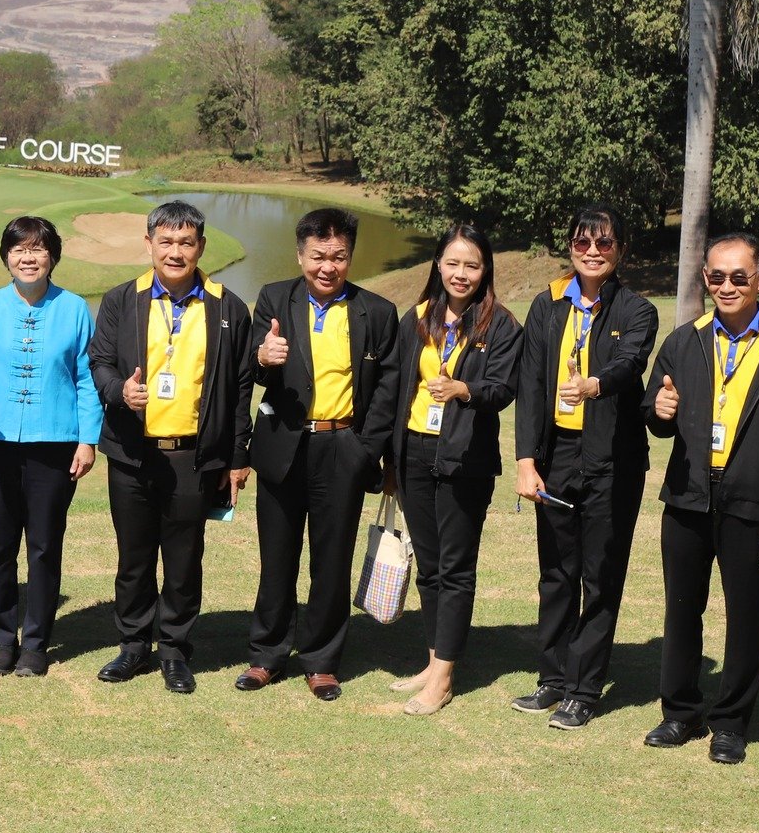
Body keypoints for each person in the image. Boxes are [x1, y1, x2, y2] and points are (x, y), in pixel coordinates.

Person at [642, 231, 759, 765]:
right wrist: (658, 412)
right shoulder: (685, 340)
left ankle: (731, 723)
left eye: (740, 276)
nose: (727, 286)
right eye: (716, 276)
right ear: (705, 278)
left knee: (746, 616)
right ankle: (680, 712)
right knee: (681, 611)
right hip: (688, 499)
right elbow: (654, 410)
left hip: (750, 504)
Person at [87, 201, 254, 695]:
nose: (175, 252)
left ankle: (175, 651)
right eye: (166, 241)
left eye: (186, 242)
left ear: (201, 247)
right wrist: (120, 391)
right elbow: (99, 362)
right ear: (149, 244)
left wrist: (238, 457)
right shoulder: (122, 300)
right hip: (133, 452)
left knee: (183, 559)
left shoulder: (228, 307)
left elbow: (241, 386)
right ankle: (134, 645)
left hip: (194, 456)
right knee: (133, 558)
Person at [238, 207, 400, 702]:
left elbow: (388, 387)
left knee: (332, 561)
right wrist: (262, 357)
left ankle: (322, 661)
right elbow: (252, 367)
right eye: (318, 256)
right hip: (283, 444)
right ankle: (266, 655)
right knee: (277, 558)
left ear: (350, 256)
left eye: (338, 256)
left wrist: (364, 449)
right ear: (300, 255)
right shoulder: (274, 297)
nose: (327, 266)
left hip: (342, 447)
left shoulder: (377, 311)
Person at [511, 205, 660, 729]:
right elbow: (530, 386)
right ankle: (553, 678)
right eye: (582, 242)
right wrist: (526, 460)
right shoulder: (547, 305)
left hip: (611, 460)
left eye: (604, 243)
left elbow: (630, 363)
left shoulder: (637, 310)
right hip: (556, 456)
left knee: (600, 575)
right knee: (556, 572)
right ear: (570, 246)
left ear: (620, 250)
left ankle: (583, 688)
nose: (592, 252)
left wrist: (593, 384)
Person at [0, 216, 102, 677]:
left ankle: (35, 643)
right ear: (6, 256)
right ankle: (1, 639)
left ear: (52, 256)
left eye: (38, 249)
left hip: (55, 445)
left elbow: (87, 378)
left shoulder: (74, 309)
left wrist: (88, 439)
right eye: (19, 249)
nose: (28, 258)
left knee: (44, 546)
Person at [386, 224, 522, 716]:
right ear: (438, 265)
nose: (461, 273)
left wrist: (464, 390)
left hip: (465, 459)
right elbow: (396, 386)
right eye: (453, 263)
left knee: (456, 568)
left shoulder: (501, 325)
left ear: (485, 270)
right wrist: (388, 458)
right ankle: (432, 661)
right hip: (413, 452)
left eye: (472, 265)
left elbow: (502, 389)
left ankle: (443, 678)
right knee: (429, 566)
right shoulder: (418, 317)